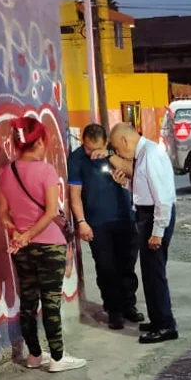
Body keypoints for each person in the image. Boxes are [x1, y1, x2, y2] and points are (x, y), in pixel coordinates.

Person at [0, 117, 87, 372]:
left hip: (22, 249)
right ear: (38, 141)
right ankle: (57, 357)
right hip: (49, 245)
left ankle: (34, 355)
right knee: (50, 303)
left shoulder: (8, 171)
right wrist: (29, 235)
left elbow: (3, 214)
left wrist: (19, 233)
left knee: (28, 301)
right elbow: (50, 212)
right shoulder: (46, 171)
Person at [67, 124, 144, 331]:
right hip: (97, 222)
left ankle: (129, 305)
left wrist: (113, 160)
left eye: (98, 149)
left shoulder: (115, 151)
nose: (94, 154)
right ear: (84, 143)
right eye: (90, 150)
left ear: (105, 142)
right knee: (106, 268)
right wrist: (81, 222)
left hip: (124, 217)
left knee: (127, 265)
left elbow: (134, 172)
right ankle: (114, 311)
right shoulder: (77, 159)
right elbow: (74, 195)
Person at [109, 122, 179, 344]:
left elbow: (163, 198)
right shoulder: (143, 153)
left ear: (124, 140)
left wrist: (157, 231)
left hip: (154, 217)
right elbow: (145, 187)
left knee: (154, 274)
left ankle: (165, 325)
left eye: (116, 148)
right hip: (147, 215)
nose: (118, 154)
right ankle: (158, 319)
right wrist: (126, 184)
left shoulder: (149, 154)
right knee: (149, 272)